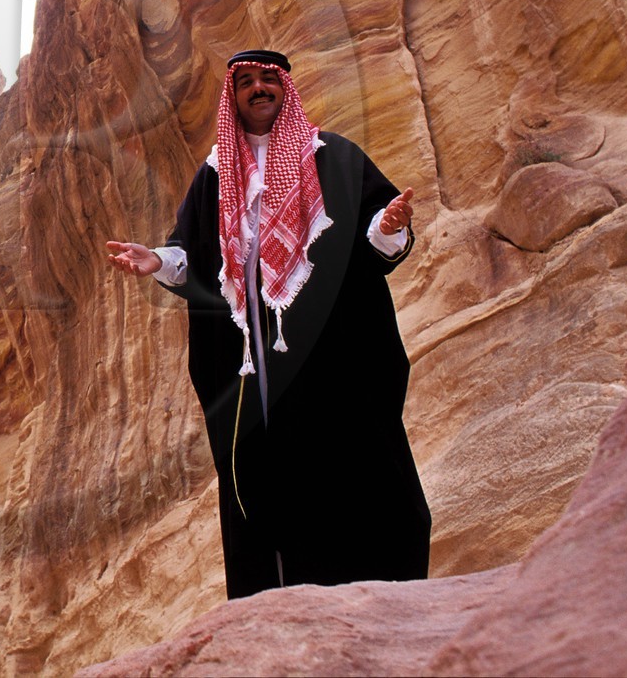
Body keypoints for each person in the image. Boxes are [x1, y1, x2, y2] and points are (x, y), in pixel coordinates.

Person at [106, 48, 430, 598]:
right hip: (251, 360)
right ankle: (282, 604)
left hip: (333, 354)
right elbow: (193, 253)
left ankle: (374, 594)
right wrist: (157, 260)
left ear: (285, 87)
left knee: (352, 463)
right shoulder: (215, 175)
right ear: (233, 96)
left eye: (267, 80)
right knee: (263, 474)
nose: (259, 89)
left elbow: (377, 234)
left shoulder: (333, 157)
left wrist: (388, 225)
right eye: (246, 82)